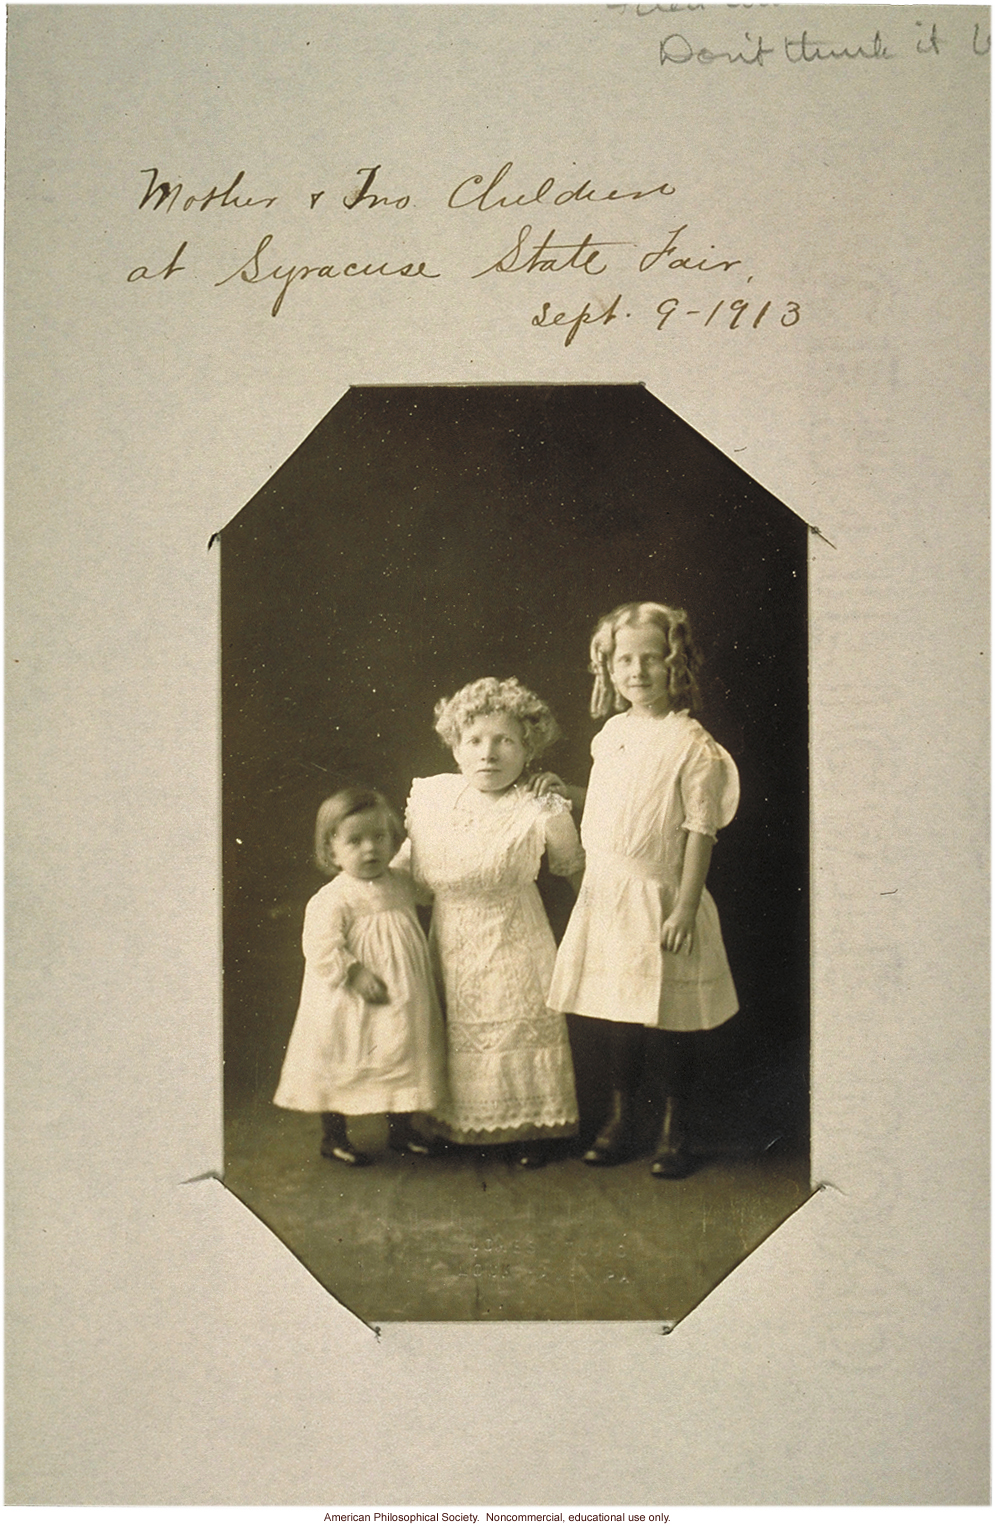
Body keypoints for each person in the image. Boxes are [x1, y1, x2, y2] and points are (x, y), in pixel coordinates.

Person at [543, 602, 739, 1178]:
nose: (637, 671)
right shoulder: (612, 735)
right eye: (624, 659)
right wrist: (573, 793)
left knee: (671, 1022)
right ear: (608, 667)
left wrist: (683, 905)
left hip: (660, 898)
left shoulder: (691, 744)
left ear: (675, 665)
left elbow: (699, 830)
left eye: (652, 659)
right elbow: (618, 801)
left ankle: (675, 1128)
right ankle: (621, 1118)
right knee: (617, 1018)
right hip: (609, 897)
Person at [395, 677, 584, 1168]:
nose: (489, 753)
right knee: (453, 1030)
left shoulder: (543, 804)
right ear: (455, 749)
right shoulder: (431, 800)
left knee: (514, 1030)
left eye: (506, 740)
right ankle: (450, 1122)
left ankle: (530, 1126)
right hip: (451, 941)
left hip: (515, 941)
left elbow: (575, 872)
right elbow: (402, 869)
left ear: (528, 750)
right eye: (474, 740)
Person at [273, 787, 447, 1165]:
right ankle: (334, 1136)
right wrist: (353, 973)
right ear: (330, 850)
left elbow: (432, 891)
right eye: (355, 841)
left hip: (403, 992)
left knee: (404, 1051)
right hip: (351, 1000)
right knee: (344, 1057)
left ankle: (401, 1130)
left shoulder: (400, 881)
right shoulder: (332, 898)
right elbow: (321, 947)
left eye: (379, 837)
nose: (370, 849)